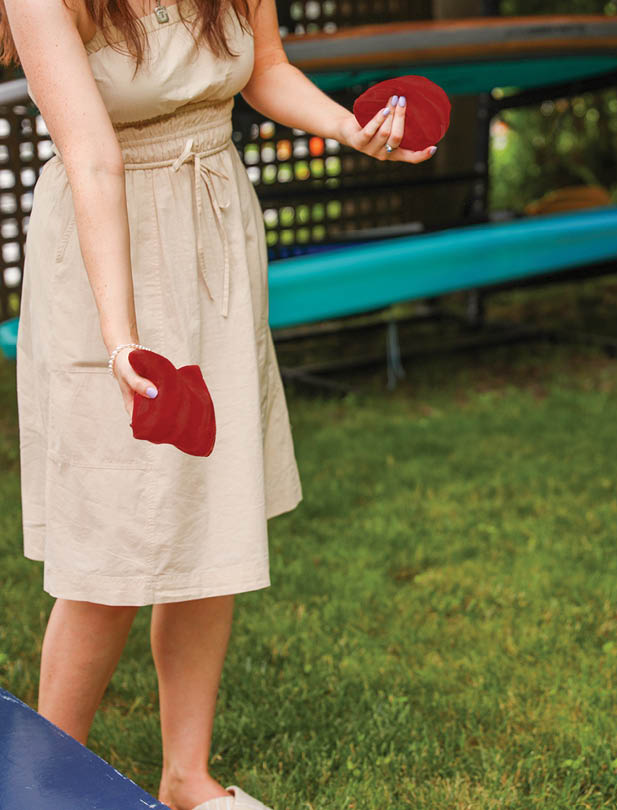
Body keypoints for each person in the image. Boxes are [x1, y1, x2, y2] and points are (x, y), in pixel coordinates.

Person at [3, 1, 437, 808]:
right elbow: (92, 158)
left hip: (212, 231)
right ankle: (40, 789)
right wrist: (121, 334)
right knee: (111, 539)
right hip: (107, 249)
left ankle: (186, 778)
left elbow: (264, 68)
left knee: (211, 512)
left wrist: (349, 127)